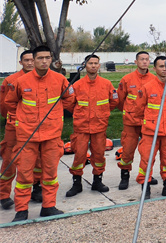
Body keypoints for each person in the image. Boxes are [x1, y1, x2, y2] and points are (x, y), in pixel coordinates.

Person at [4, 45, 75, 221]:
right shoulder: (21, 81)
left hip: (52, 135)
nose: (44, 61)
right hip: (27, 135)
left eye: (47, 58)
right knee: (24, 174)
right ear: (34, 60)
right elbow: (10, 103)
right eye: (40, 58)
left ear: (51, 59)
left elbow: (69, 99)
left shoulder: (59, 80)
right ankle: (22, 210)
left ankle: (48, 206)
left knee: (50, 173)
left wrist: (55, 116)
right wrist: (24, 119)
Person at [65, 54, 119, 197]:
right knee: (79, 155)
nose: (93, 66)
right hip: (81, 127)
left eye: (96, 63)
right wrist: (79, 114)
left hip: (99, 126)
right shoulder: (77, 85)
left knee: (99, 155)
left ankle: (97, 181)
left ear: (99, 65)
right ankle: (77, 183)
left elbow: (114, 101)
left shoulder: (106, 84)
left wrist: (103, 112)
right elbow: (69, 104)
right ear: (85, 65)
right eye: (90, 63)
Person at [135, 56, 166, 199]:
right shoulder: (147, 88)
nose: (164, 69)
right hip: (151, 132)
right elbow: (139, 109)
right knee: (146, 160)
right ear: (154, 69)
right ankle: (145, 188)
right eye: (161, 66)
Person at [0, 50, 40, 209]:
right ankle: (3, 195)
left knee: (37, 160)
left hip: (36, 127)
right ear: (21, 62)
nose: (30, 63)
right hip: (14, 127)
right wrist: (13, 119)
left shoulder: (42, 79)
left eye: (32, 60)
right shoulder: (10, 81)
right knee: (9, 160)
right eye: (26, 60)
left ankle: (36, 189)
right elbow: (4, 105)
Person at [116, 51, 155, 190]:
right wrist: (129, 112)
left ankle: (147, 175)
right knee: (127, 151)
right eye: (142, 59)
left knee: (148, 152)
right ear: (136, 62)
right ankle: (124, 175)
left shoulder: (154, 79)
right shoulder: (127, 79)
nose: (144, 62)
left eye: (147, 59)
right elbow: (120, 100)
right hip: (131, 122)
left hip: (148, 122)